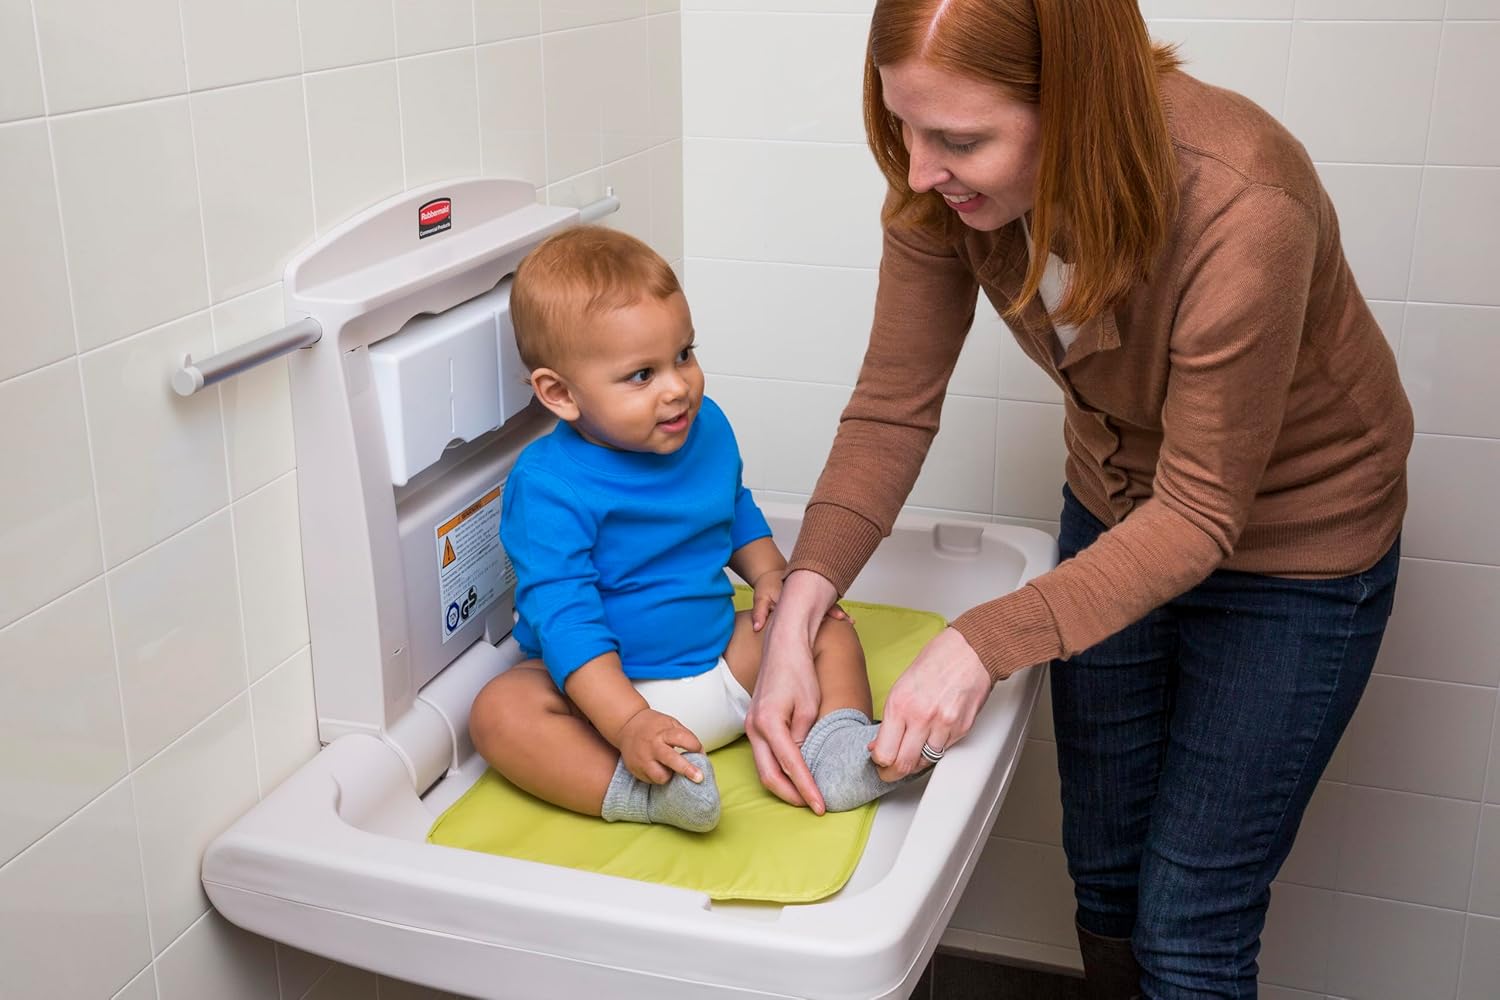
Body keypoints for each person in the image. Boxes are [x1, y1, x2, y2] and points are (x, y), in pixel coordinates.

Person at [745, 1, 1412, 996]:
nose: (919, 171)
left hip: (1298, 550)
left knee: (1188, 921)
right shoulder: (936, 190)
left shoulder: (1243, 201)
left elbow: (1198, 516)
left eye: (960, 139)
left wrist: (983, 638)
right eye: (904, 127)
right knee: (1102, 873)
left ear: (1075, 109)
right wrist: (797, 611)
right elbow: (891, 410)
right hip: (1118, 506)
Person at [469, 226, 916, 834]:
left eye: (684, 354)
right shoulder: (548, 486)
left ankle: (836, 746)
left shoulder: (703, 429)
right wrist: (628, 722)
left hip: (721, 665)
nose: (678, 387)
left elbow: (732, 507)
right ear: (560, 393)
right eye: (641, 375)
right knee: (501, 712)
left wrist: (770, 575)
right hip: (602, 703)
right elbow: (564, 618)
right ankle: (644, 793)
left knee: (823, 625)